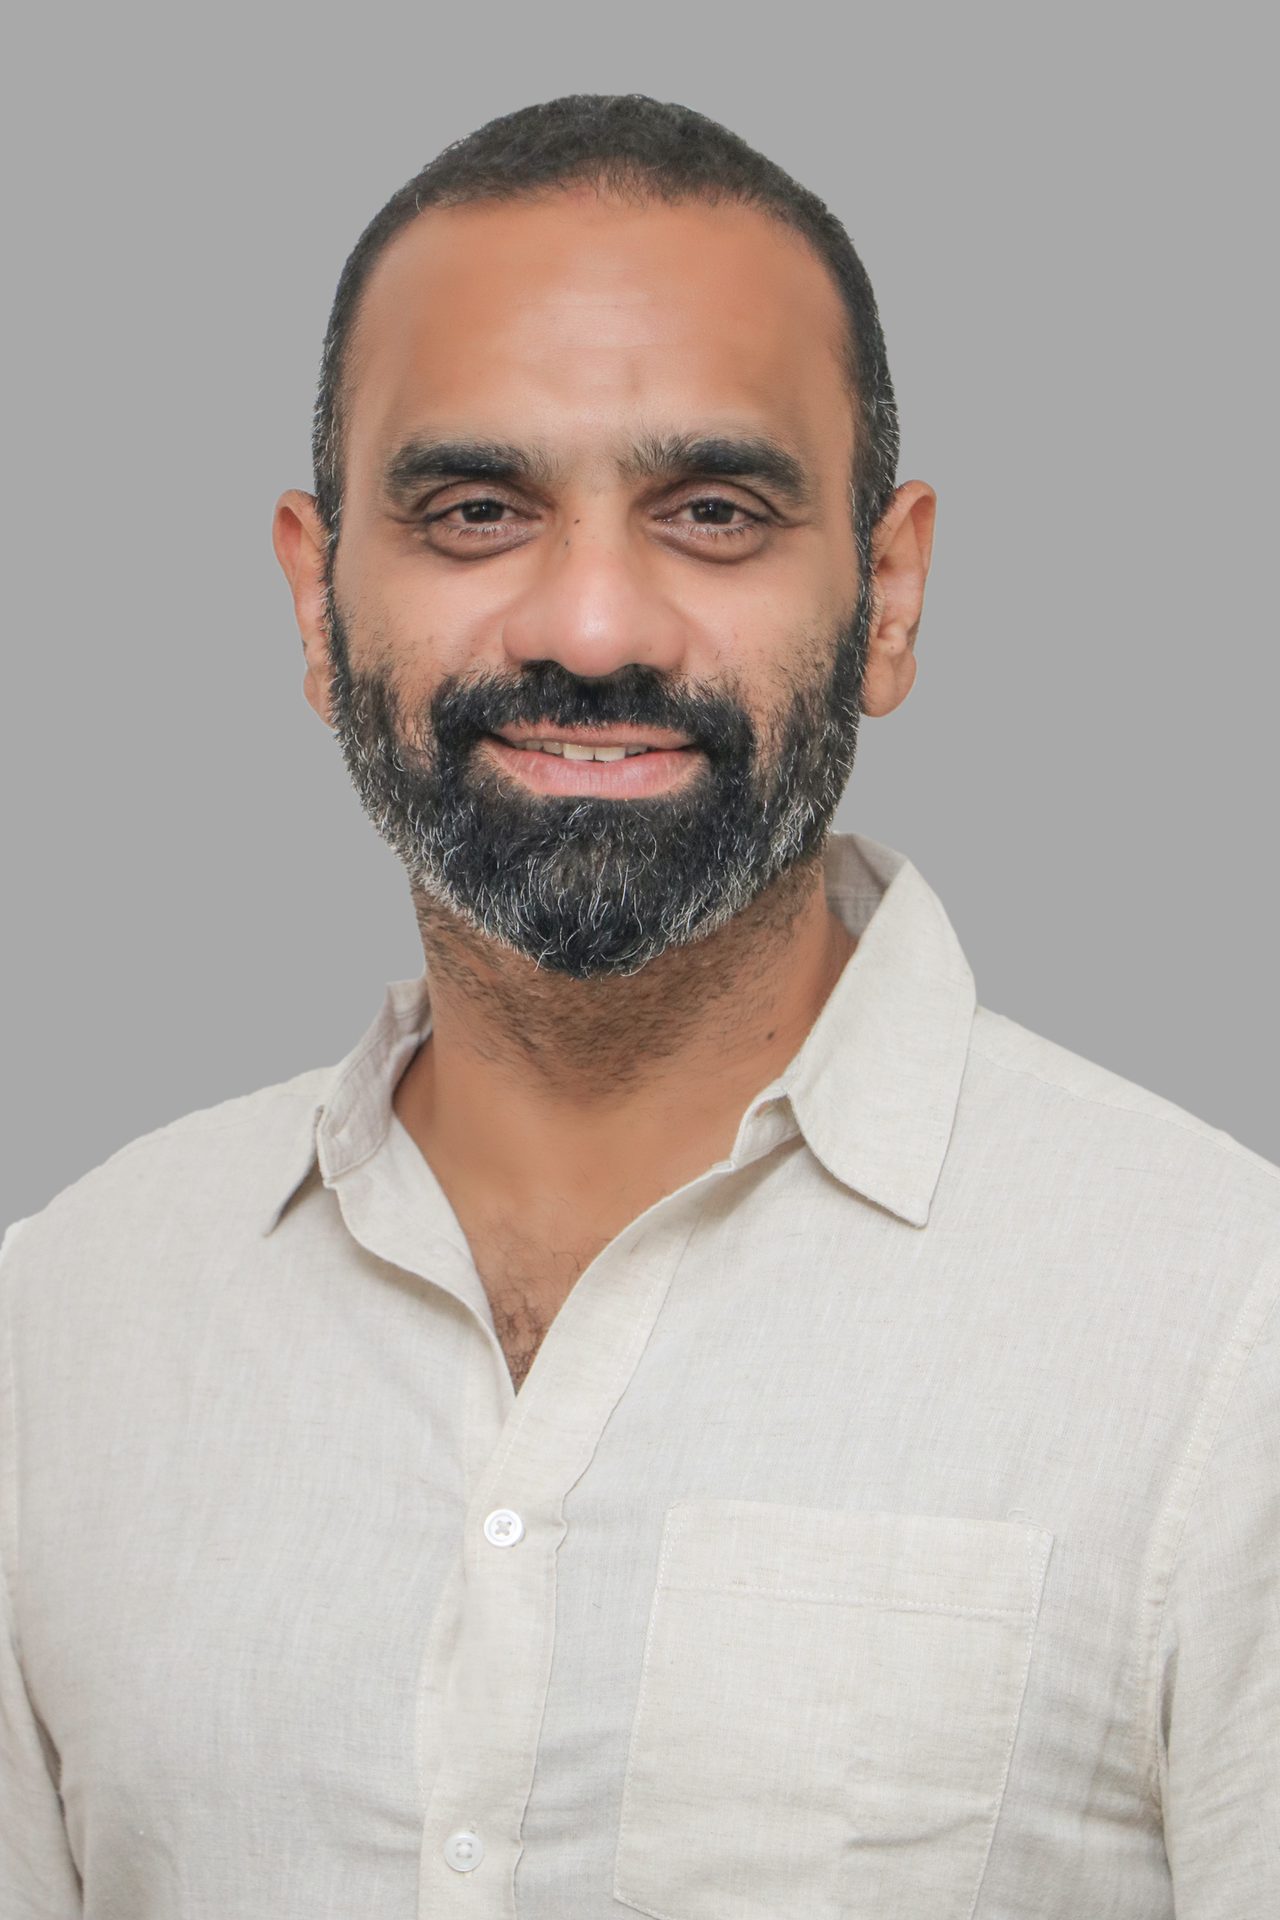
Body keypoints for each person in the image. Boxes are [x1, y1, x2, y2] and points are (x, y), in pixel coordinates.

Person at [1, 92, 1275, 1920]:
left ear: (891, 594)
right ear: (312, 596)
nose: (593, 625)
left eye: (713, 511)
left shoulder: (1228, 1337)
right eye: (472, 509)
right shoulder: (61, 1333)